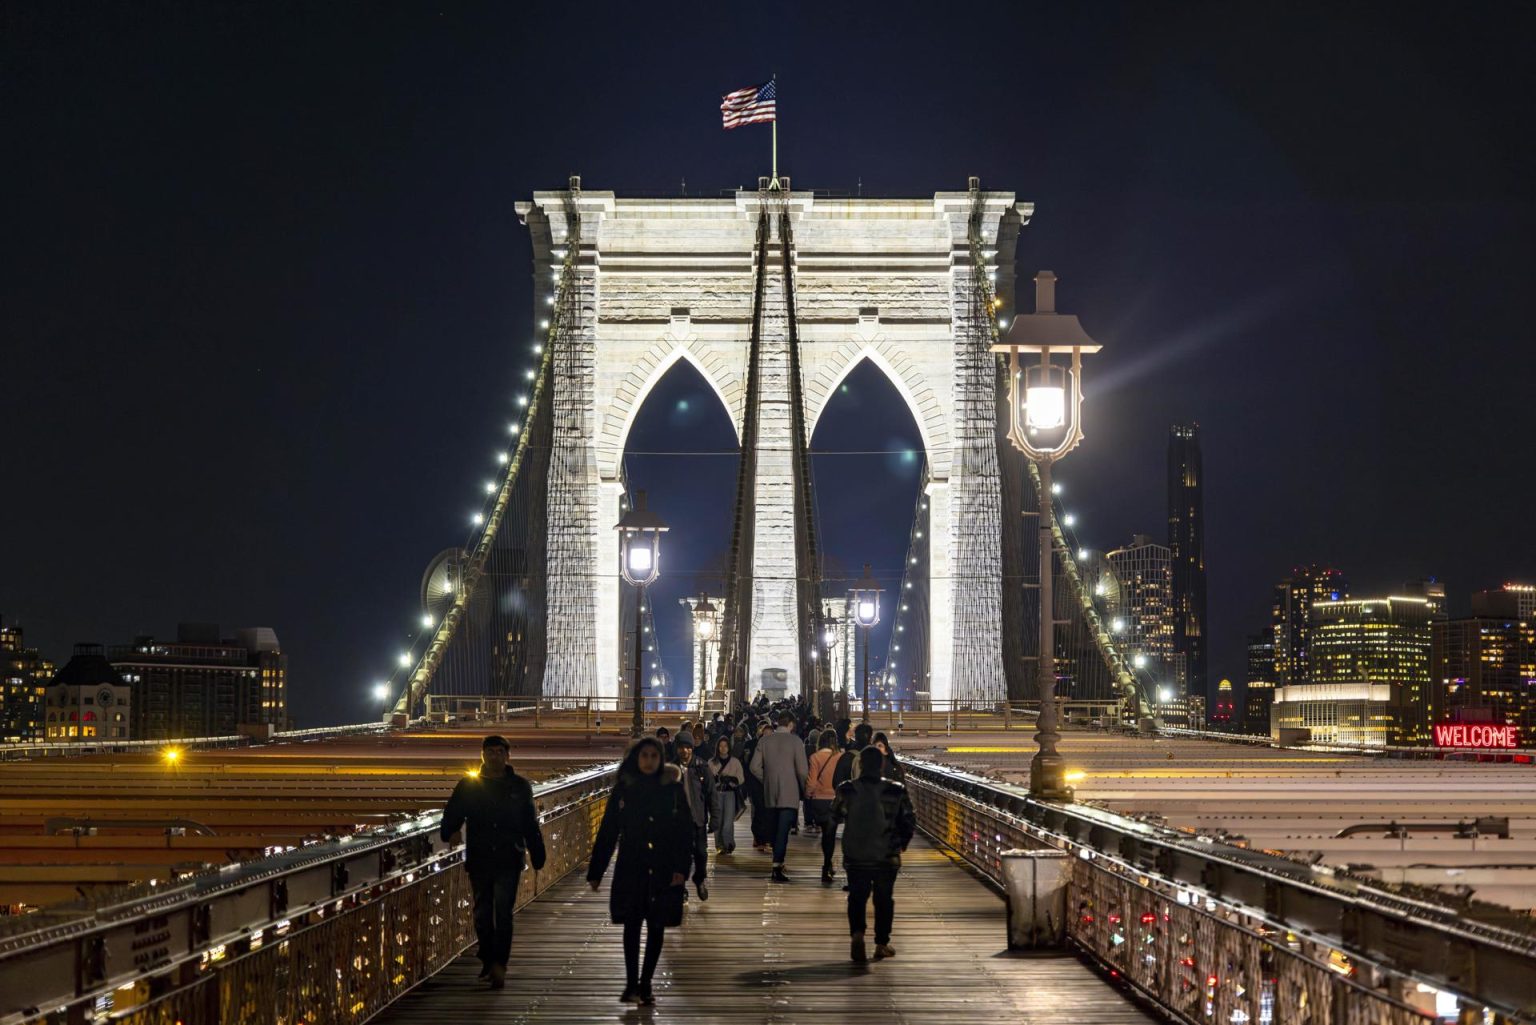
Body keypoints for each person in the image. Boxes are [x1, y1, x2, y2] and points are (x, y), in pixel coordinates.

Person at [587, 737, 693, 1006]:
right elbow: (609, 830)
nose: (648, 761)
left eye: (653, 756)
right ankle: (632, 982)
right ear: (636, 758)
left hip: (662, 866)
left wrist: (682, 869)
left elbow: (684, 832)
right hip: (632, 866)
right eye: (644, 756)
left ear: (660, 759)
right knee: (632, 925)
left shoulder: (673, 790)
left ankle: (645, 983)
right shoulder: (624, 790)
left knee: (656, 925)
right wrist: (596, 870)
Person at [440, 734, 547, 989]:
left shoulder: (520, 786)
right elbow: (453, 811)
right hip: (481, 856)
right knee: (482, 912)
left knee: (502, 911)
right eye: (490, 752)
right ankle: (488, 959)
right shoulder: (469, 785)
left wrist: (537, 852)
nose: (495, 756)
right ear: (483, 755)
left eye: (500, 752)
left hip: (509, 856)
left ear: (507, 756)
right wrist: (449, 830)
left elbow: (529, 822)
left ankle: (499, 963)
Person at [833, 746, 916, 963]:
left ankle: (857, 934)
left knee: (857, 897)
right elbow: (908, 819)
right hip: (886, 854)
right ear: (881, 765)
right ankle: (881, 943)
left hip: (855, 853)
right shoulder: (895, 789)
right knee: (884, 899)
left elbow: (835, 814)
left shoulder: (847, 789)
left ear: (860, 765)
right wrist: (902, 843)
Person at [750, 710, 809, 882]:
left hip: (770, 790)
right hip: (789, 791)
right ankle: (777, 864)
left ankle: (777, 861)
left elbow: (754, 767)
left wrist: (767, 778)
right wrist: (804, 788)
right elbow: (802, 771)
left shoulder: (765, 740)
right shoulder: (796, 741)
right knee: (783, 830)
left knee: (774, 828)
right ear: (791, 724)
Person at [670, 730, 712, 900]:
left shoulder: (702, 766)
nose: (685, 751)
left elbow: (711, 794)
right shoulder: (670, 769)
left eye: (688, 747)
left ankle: (700, 879)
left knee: (701, 853)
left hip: (697, 820)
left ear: (692, 748)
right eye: (681, 747)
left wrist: (715, 818)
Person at [805, 728, 842, 884]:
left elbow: (812, 781)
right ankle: (827, 865)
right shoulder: (840, 757)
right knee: (830, 834)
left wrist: (808, 794)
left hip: (819, 800)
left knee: (826, 832)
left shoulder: (815, 757)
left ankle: (827, 864)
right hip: (835, 799)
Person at [707, 734, 745, 854]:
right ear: (717, 747)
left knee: (728, 821)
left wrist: (731, 780)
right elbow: (708, 779)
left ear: (729, 747)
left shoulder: (735, 761)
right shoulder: (712, 762)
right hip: (717, 793)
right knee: (718, 820)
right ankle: (720, 845)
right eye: (721, 746)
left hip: (730, 793)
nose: (723, 748)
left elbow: (741, 778)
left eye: (725, 746)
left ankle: (729, 843)